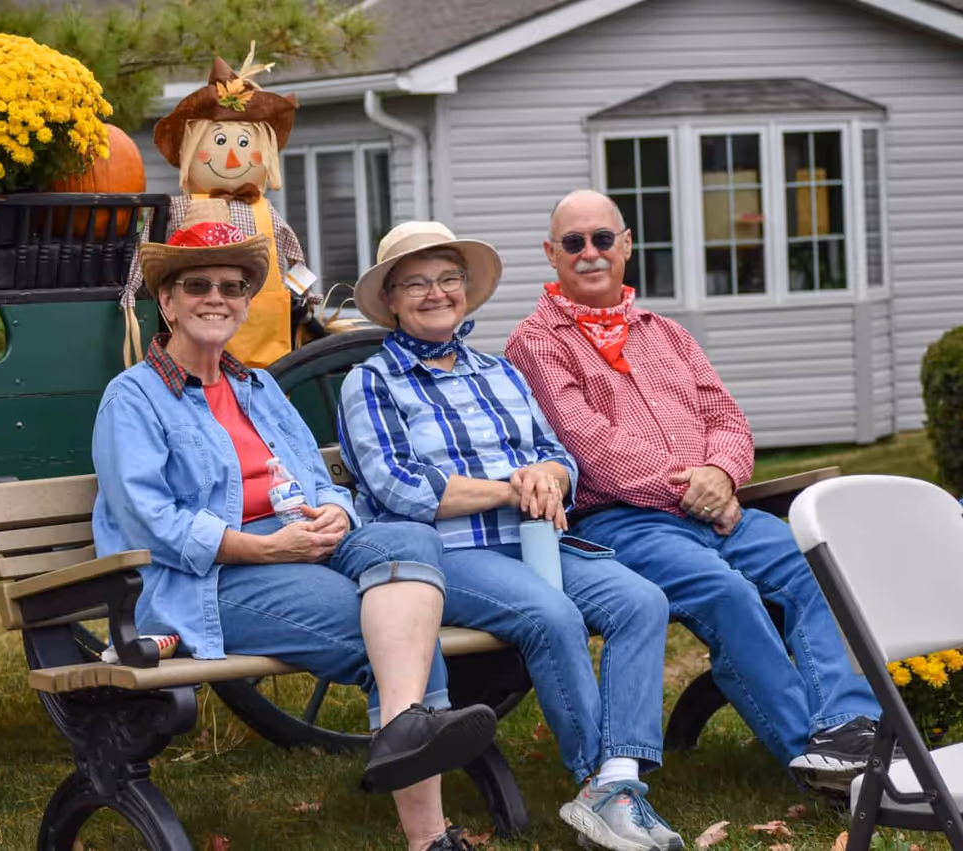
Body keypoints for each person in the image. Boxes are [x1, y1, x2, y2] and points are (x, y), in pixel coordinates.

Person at [91, 199, 497, 851]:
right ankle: (430, 836)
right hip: (208, 578)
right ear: (166, 302)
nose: (216, 298)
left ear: (247, 302)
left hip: (301, 546)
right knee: (391, 630)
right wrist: (266, 545)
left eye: (232, 286)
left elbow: (313, 475)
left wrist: (333, 509)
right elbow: (153, 521)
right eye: (198, 285)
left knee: (409, 540)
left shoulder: (257, 388)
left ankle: (399, 727)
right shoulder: (133, 399)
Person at [506, 189, 883, 795]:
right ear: (552, 254)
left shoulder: (668, 334)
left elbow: (727, 420)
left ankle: (848, 730)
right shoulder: (537, 344)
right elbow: (590, 447)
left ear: (626, 244)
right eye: (573, 243)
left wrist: (724, 475)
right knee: (727, 592)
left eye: (603, 238)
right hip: (622, 522)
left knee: (812, 566)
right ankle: (823, 768)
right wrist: (696, 490)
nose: (590, 253)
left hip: (717, 509)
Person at [338, 220, 683, 851]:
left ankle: (619, 778)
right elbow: (402, 491)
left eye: (447, 279)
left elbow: (555, 453)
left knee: (641, 602)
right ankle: (594, 784)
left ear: (466, 289)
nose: (435, 293)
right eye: (416, 283)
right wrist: (510, 488)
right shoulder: (372, 382)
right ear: (390, 299)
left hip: (536, 541)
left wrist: (550, 474)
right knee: (551, 615)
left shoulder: (498, 372)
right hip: (449, 553)